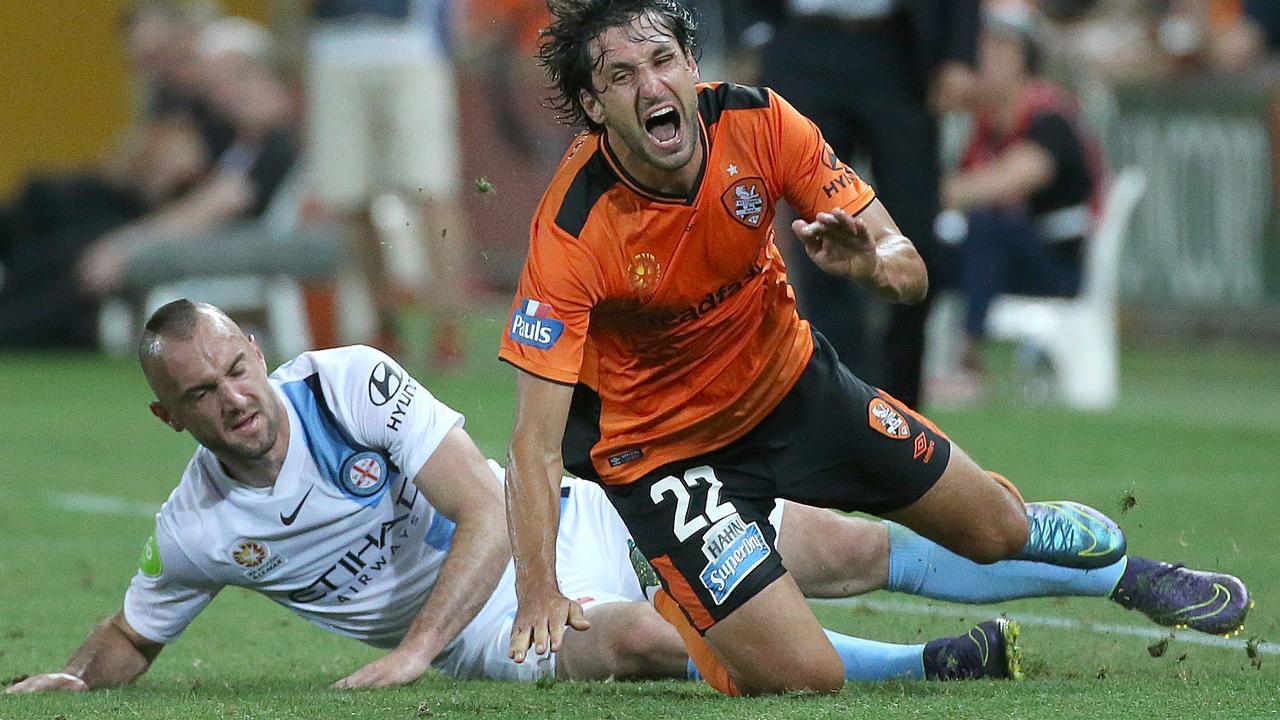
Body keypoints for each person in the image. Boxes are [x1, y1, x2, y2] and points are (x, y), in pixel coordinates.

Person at [498, 0, 1248, 697]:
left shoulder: (760, 122)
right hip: (663, 455)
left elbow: (910, 270)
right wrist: (540, 591)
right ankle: (703, 594)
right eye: (621, 76)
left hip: (791, 387)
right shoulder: (572, 227)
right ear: (595, 109)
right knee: (804, 677)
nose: (649, 84)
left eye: (662, 59)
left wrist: (871, 266)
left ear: (693, 67)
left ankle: (1124, 573)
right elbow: (534, 443)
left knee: (996, 530)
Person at [7, 301, 1248, 695]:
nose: (239, 398)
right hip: (505, 638)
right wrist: (72, 678)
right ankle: (938, 665)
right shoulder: (199, 527)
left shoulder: (340, 386)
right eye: (206, 395)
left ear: (252, 351)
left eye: (237, 366)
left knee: (842, 544)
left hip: (548, 533)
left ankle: (1121, 576)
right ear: (168, 418)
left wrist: (405, 654)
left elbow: (491, 514)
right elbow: (132, 631)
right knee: (661, 636)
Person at [741, 0, 981, 408]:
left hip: (898, 47)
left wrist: (960, 52)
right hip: (804, 41)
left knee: (916, 234)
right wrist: (758, 30)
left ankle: (903, 405)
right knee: (817, 236)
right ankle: (851, 403)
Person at [930, 11, 1105, 397]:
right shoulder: (986, 125)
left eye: (993, 47)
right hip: (1002, 260)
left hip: (1056, 264)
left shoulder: (1049, 118)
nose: (979, 58)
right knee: (922, 246)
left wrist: (926, 191)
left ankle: (969, 365)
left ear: (1021, 56)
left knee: (989, 227)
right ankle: (896, 359)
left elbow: (1014, 179)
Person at [307, 0, 470, 367]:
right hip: (333, 46)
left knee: (432, 189)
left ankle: (447, 328)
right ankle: (384, 326)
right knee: (348, 198)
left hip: (410, 40)